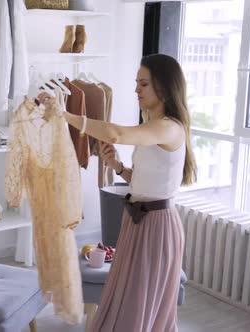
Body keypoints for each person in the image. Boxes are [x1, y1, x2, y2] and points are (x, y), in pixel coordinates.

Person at [39, 53, 197, 331]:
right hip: (139, 220)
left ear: (164, 86)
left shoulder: (169, 127)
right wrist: (119, 167)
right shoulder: (153, 127)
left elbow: (115, 134)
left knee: (139, 300)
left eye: (144, 84)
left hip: (157, 226)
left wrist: (64, 115)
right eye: (137, 83)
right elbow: (146, 181)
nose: (136, 89)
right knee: (129, 296)